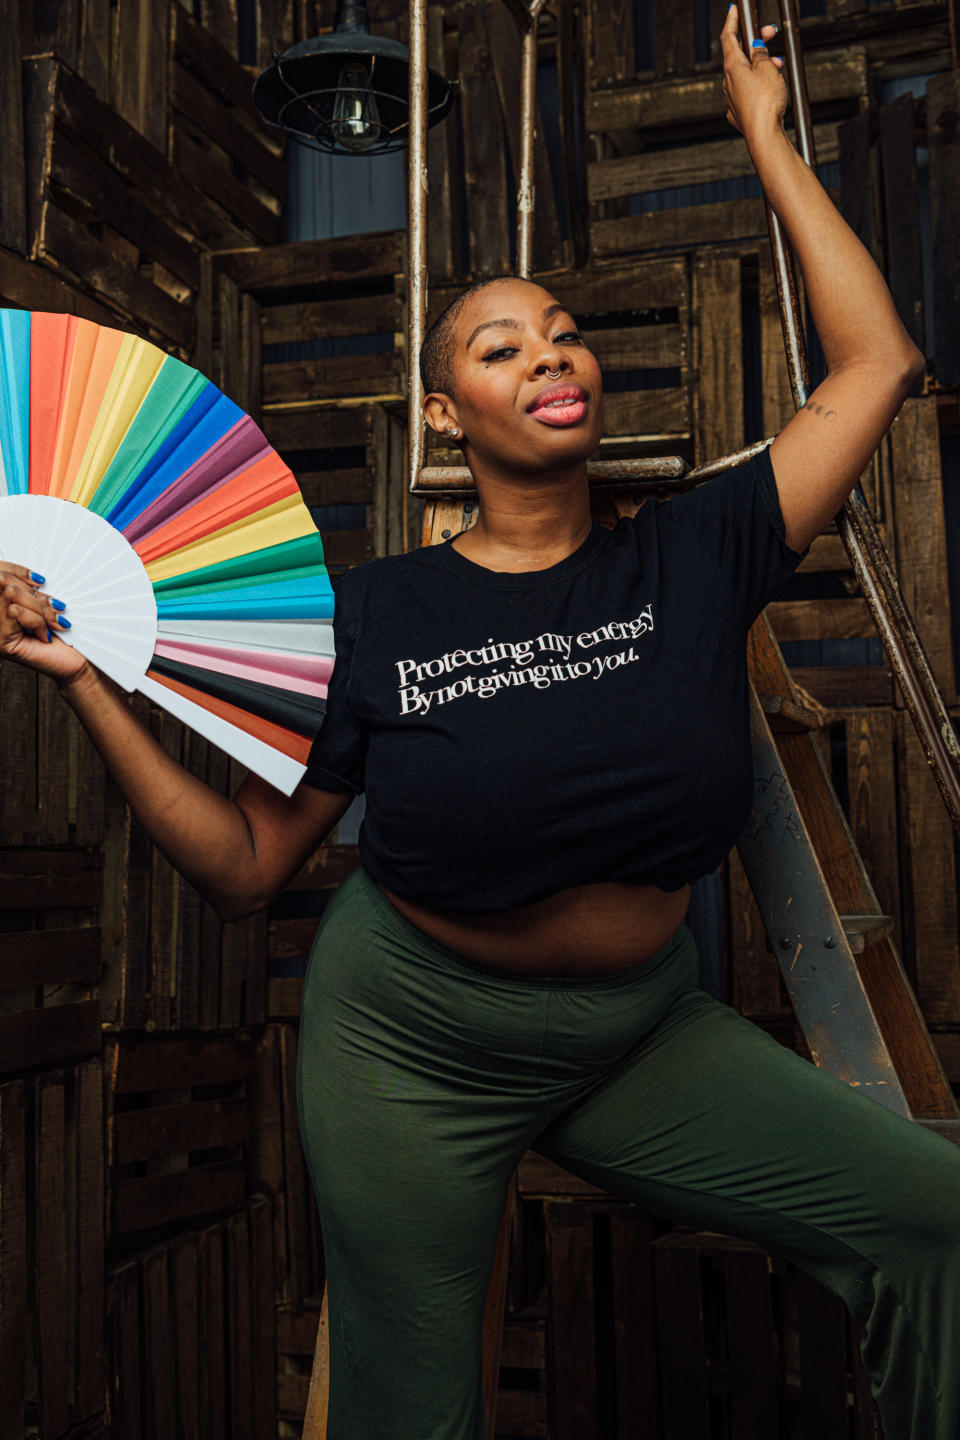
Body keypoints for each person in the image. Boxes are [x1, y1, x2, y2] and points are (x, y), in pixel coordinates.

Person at [1, 10, 957, 1437]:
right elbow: (249, 867)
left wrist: (767, 142)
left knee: (935, 1219)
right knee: (411, 1407)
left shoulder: (700, 550)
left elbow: (874, 367)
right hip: (414, 1040)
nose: (552, 357)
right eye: (504, 350)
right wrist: (90, 686)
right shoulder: (377, 616)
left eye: (563, 336)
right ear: (447, 417)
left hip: (636, 1031)